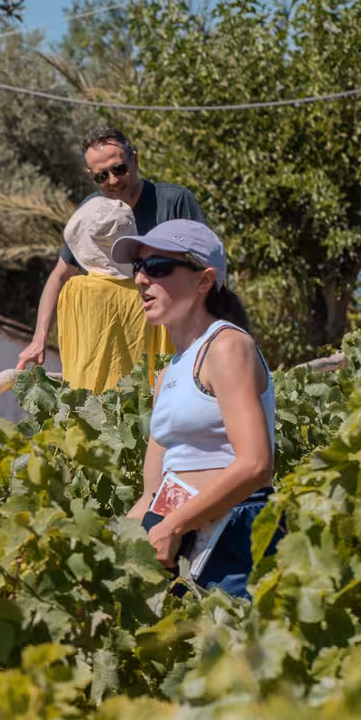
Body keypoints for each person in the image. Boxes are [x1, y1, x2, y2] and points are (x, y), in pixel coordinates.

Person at [118, 220, 276, 600]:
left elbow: (256, 464)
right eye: (138, 268)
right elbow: (151, 492)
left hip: (232, 536)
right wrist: (110, 546)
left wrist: (173, 527)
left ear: (203, 281)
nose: (141, 280)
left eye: (157, 267)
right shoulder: (168, 372)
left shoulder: (226, 347)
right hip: (176, 533)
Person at [19, 126, 205, 370]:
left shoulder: (174, 201)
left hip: (174, 344)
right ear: (91, 176)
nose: (113, 180)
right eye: (101, 176)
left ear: (135, 160)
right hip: (121, 353)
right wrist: (39, 338)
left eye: (119, 169)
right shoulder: (92, 213)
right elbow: (60, 275)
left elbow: (207, 266)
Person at [54, 196, 167, 392]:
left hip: (83, 408)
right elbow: (165, 356)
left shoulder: (73, 291)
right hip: (136, 412)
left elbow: (66, 347)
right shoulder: (152, 294)